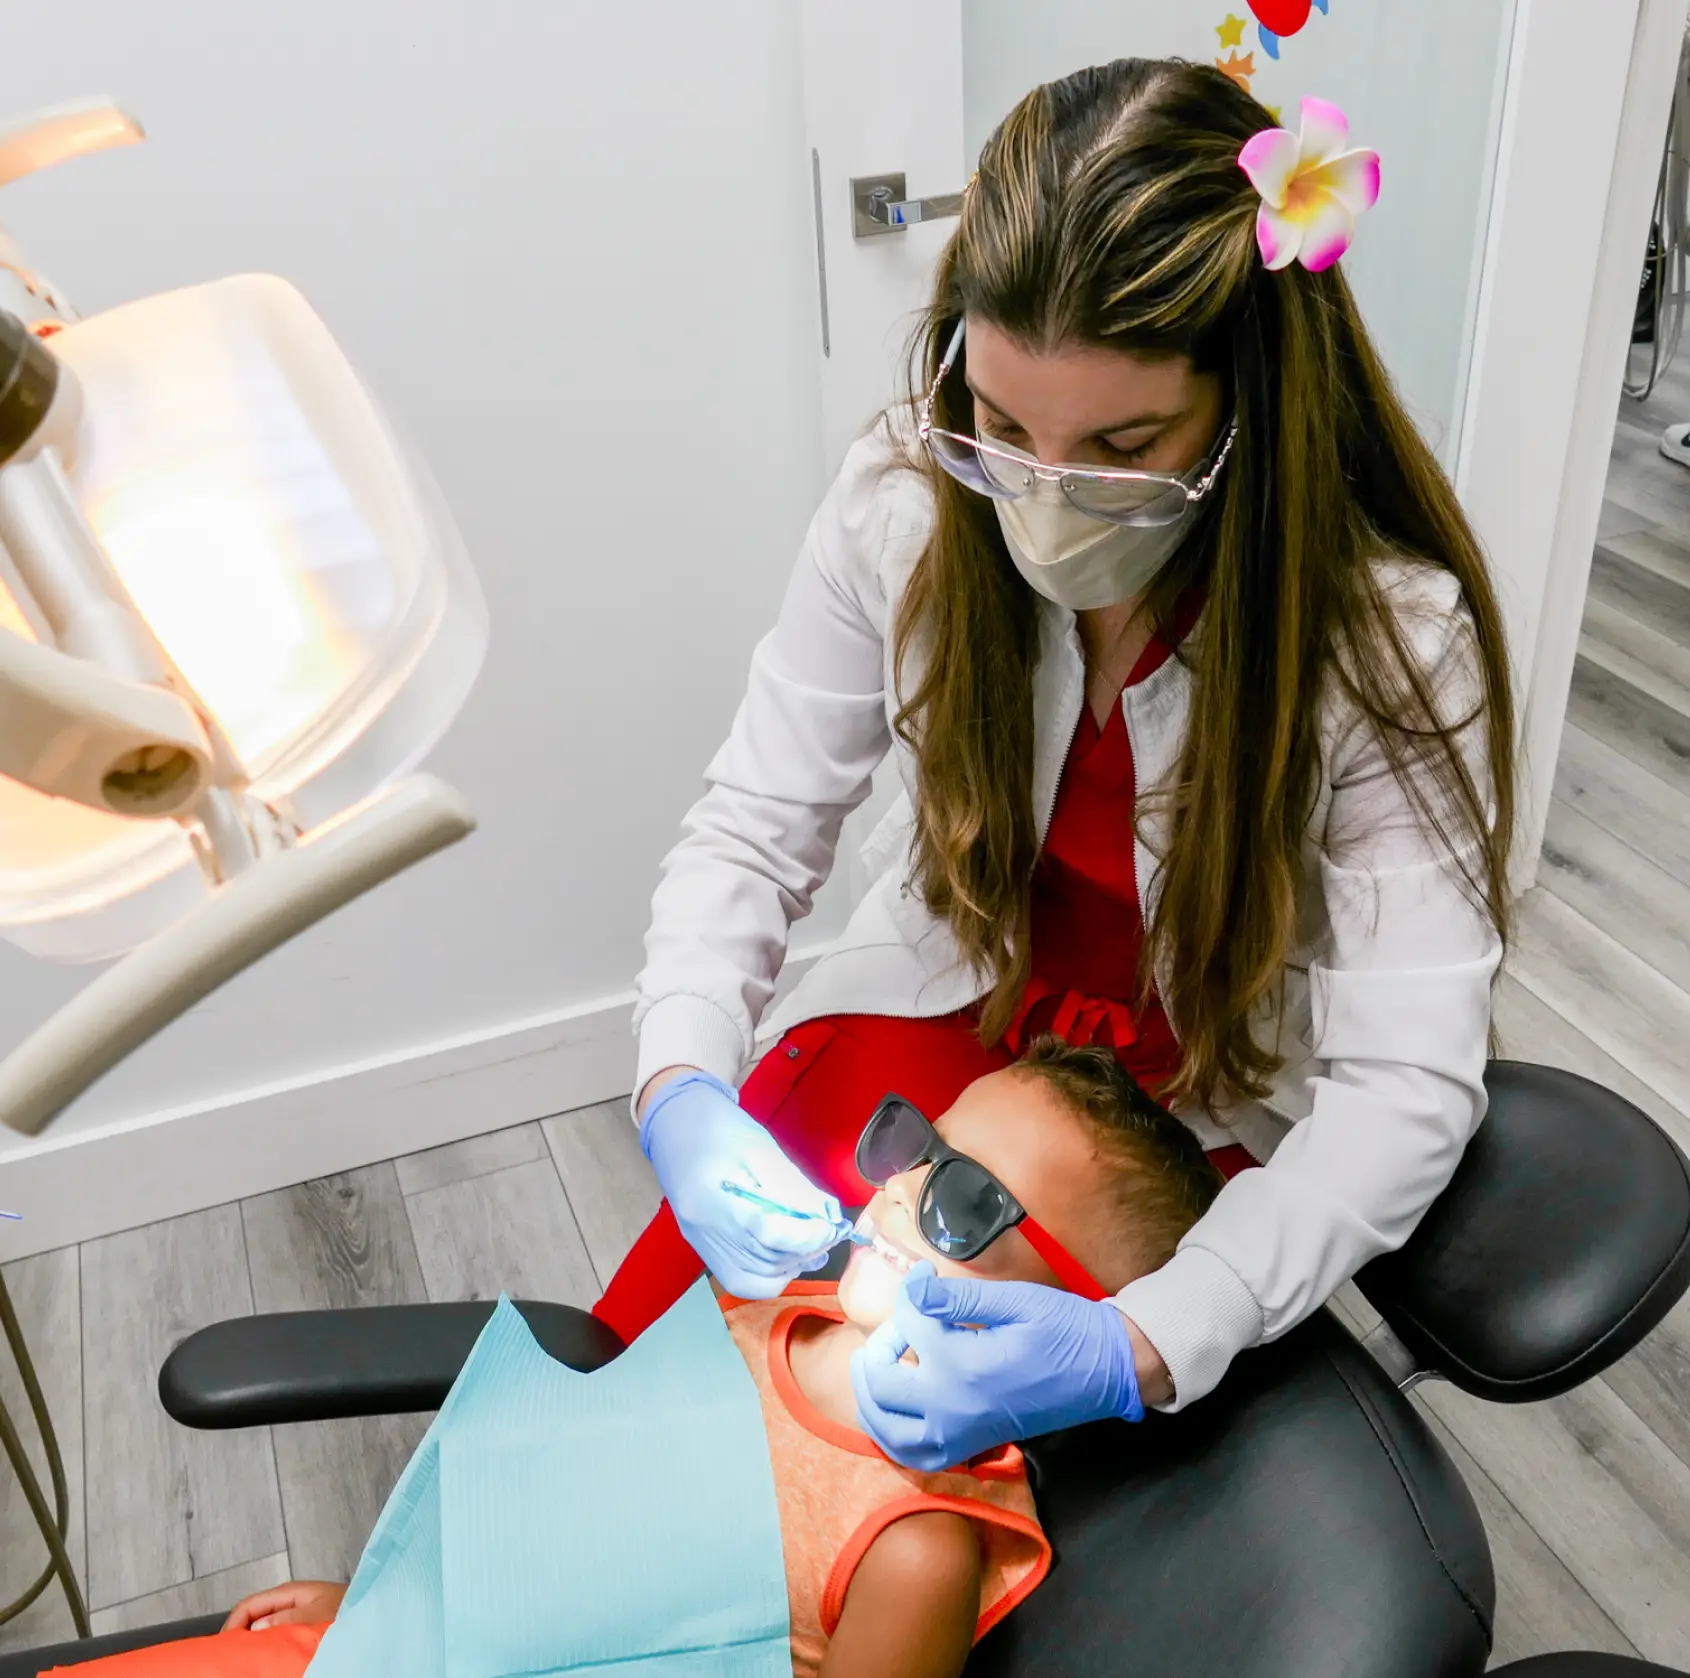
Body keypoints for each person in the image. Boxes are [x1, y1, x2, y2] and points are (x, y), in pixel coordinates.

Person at [604, 56, 1515, 1468]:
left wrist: (1139, 1340)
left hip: (1171, 1128)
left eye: (1121, 446)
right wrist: (676, 1080)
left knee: (896, 1489)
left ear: (1248, 411)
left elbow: (1405, 1082)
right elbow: (754, 824)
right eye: (1002, 426)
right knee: (640, 1394)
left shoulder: (1382, 640)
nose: (1038, 495)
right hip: (957, 1024)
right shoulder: (901, 506)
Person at [49, 1041, 1220, 1678]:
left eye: (964, 1197)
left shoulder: (910, 1550)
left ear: (1077, 1326)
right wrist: (383, 1607)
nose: (900, 1186)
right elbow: (559, 1522)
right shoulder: (776, 1313)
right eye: (918, 1146)